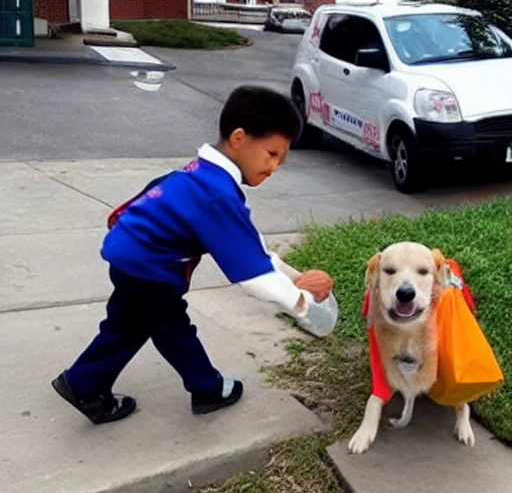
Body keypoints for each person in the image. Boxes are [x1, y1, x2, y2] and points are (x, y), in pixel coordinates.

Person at [51, 85, 334, 424]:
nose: (274, 167)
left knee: (127, 326)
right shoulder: (217, 196)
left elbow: (254, 251)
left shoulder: (204, 174)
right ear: (240, 138)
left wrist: (290, 276)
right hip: (150, 269)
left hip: (129, 255)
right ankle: (207, 389)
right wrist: (300, 303)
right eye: (271, 154)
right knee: (174, 332)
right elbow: (253, 277)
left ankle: (81, 383)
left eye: (281, 160)